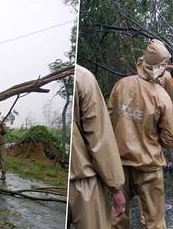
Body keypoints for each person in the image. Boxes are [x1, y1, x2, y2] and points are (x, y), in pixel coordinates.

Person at [109, 39, 173, 229]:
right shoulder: (162, 96)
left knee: (117, 218)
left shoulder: (120, 85)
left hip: (119, 167)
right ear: (161, 67)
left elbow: (108, 120)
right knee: (153, 222)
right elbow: (171, 139)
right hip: (149, 168)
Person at [68, 65, 126, 229]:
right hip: (85, 182)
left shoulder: (119, 85)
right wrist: (116, 186)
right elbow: (99, 138)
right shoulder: (84, 78)